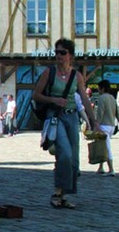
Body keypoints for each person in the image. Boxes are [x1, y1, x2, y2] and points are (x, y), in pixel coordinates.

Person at [32, 38, 100, 209]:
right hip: (56, 117)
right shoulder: (49, 73)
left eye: (62, 52)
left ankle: (63, 195)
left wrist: (94, 122)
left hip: (72, 117)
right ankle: (56, 192)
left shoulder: (77, 76)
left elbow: (84, 99)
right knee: (65, 154)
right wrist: (53, 99)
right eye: (56, 52)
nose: (59, 55)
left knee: (74, 160)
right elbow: (36, 95)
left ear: (70, 55)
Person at [94, 79, 117, 176]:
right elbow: (117, 112)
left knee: (106, 147)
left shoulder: (102, 98)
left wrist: (96, 125)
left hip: (104, 125)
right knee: (102, 146)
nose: (98, 90)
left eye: (99, 88)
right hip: (112, 125)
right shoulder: (112, 97)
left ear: (102, 88)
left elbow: (100, 112)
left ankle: (111, 169)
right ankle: (101, 167)